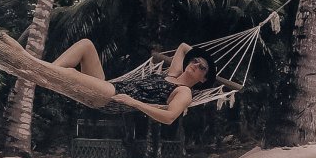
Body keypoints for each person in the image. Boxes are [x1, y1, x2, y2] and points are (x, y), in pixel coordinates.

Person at [49, 39, 217, 125]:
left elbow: (169, 117)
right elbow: (182, 47)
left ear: (203, 79)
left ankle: (42, 68)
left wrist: (134, 102)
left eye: (202, 67)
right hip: (110, 85)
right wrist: (205, 58)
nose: (196, 65)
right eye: (195, 60)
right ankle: (46, 69)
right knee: (86, 45)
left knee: (70, 74)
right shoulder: (172, 74)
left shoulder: (184, 92)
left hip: (111, 97)